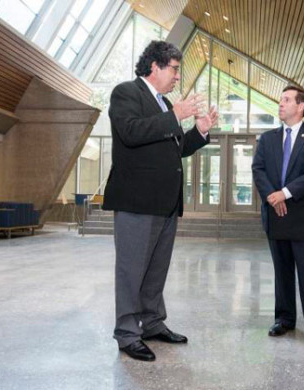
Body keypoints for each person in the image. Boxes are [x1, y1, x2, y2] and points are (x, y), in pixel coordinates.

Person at [102, 40, 218, 361]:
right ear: (155, 66)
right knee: (131, 270)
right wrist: (176, 114)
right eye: (175, 69)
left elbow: (175, 147)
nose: (178, 76)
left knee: (156, 269)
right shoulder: (126, 93)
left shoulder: (165, 104)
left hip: (166, 204)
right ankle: (127, 333)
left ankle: (152, 323)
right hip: (136, 202)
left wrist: (199, 131)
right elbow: (130, 132)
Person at [251, 85, 304, 352]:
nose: (281, 104)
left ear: (301, 107)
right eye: (280, 100)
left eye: (286, 100)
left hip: (302, 212)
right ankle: (284, 319)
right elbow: (258, 169)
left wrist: (284, 194)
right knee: (282, 272)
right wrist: (272, 197)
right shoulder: (268, 139)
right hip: (275, 212)